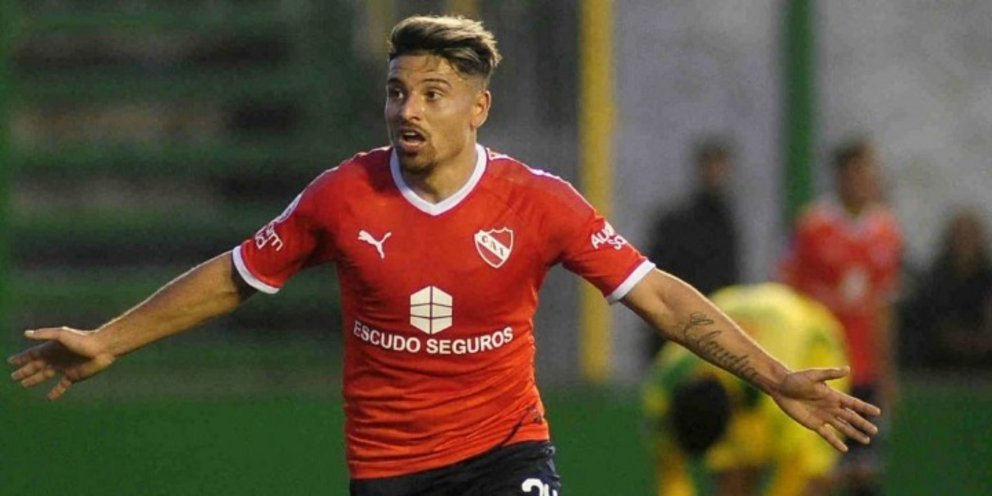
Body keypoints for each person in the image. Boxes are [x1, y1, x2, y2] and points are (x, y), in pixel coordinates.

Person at [8, 16, 880, 496]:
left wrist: (775, 378)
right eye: (397, 92)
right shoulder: (342, 197)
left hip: (507, 453)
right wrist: (109, 339)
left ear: (478, 107)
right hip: (389, 471)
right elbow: (235, 279)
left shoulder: (540, 203)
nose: (408, 111)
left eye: (432, 93)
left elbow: (660, 298)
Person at [778, 138, 902, 496]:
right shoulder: (812, 228)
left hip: (864, 370)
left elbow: (884, 308)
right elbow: (789, 296)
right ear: (841, 176)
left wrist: (887, 375)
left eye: (870, 172)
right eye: (858, 172)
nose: (866, 180)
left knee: (864, 472)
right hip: (820, 366)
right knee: (818, 473)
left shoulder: (887, 232)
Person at [643, 283, 851, 496]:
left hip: (810, 341)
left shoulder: (781, 398)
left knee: (810, 472)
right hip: (739, 307)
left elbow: (795, 467)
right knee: (735, 467)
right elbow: (669, 470)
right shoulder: (661, 390)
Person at [644, 138, 741, 359]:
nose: (716, 173)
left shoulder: (727, 221)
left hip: (714, 327)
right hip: (678, 326)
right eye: (712, 166)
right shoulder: (676, 222)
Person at [904, 208, 992, 369]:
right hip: (938, 359)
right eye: (961, 237)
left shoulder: (987, 278)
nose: (965, 243)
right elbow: (924, 319)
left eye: (970, 237)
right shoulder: (933, 280)